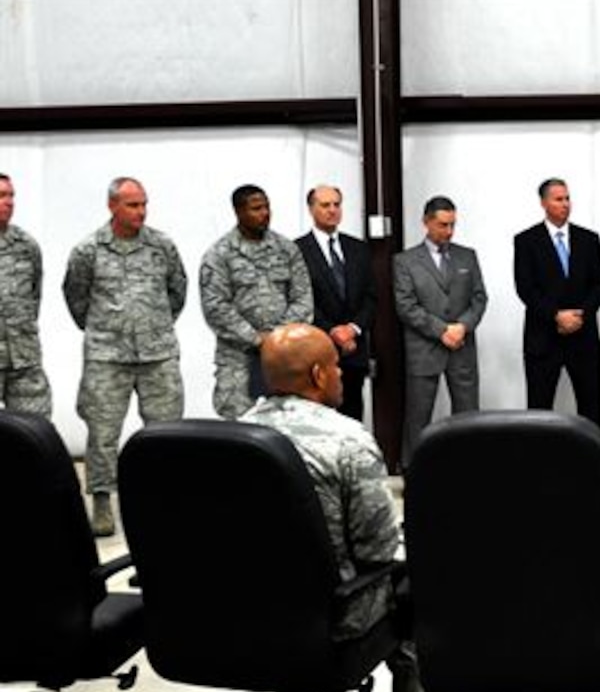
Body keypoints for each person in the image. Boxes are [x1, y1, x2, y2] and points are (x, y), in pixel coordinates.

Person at [241, 323, 452, 692]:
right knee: (419, 558)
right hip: (336, 616)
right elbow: (378, 550)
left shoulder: (235, 433)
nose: (341, 374)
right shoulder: (347, 440)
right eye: (337, 366)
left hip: (247, 609)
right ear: (320, 375)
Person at [62, 177, 187, 537]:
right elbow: (76, 298)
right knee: (102, 432)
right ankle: (102, 500)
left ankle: (166, 497)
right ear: (112, 206)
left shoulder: (162, 245)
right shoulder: (88, 250)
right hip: (106, 355)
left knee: (165, 432)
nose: (141, 211)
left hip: (158, 354)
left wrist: (153, 325)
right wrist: (108, 329)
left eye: (144, 203)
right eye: (133, 205)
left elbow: (177, 291)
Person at [200, 184, 311, 420]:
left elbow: (303, 298)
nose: (265, 213)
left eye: (267, 207)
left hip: (284, 357)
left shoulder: (286, 249)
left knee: (289, 424)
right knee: (239, 429)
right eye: (256, 208)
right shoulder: (220, 254)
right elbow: (215, 306)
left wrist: (278, 337)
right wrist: (255, 338)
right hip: (239, 358)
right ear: (239, 212)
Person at [392, 195, 485, 464]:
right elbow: (406, 306)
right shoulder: (405, 261)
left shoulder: (467, 256)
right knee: (418, 416)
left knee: (468, 415)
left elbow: (479, 298)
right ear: (426, 222)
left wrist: (463, 327)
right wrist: (442, 330)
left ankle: (470, 467)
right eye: (443, 225)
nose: (449, 231)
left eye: (453, 225)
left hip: (461, 347)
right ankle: (414, 471)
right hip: (425, 348)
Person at [513, 177, 600, 426]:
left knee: (590, 408)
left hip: (583, 337)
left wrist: (580, 316)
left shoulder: (589, 240)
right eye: (558, 199)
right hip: (543, 338)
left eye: (567, 198)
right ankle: (541, 464)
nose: (565, 204)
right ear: (544, 203)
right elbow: (525, 288)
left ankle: (590, 462)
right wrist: (556, 315)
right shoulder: (526, 241)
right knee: (539, 410)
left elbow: (599, 284)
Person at [296, 185, 376, 424]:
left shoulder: (358, 248)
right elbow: (302, 300)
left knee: (352, 415)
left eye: (336, 204)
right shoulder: (297, 250)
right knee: (320, 420)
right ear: (311, 209)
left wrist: (353, 328)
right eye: (325, 205)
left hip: (354, 349)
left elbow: (371, 297)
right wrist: (332, 331)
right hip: (318, 350)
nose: (332, 210)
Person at [0, 173, 51, 417]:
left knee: (34, 434)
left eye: (11, 196)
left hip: (23, 361)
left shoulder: (25, 245)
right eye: (1, 196)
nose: (8, 202)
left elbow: (34, 297)